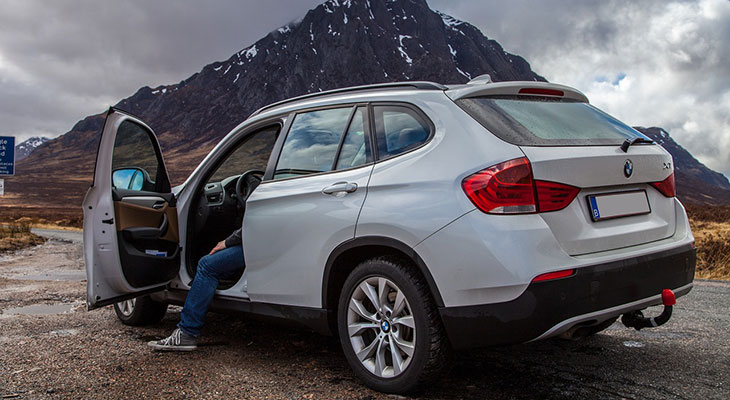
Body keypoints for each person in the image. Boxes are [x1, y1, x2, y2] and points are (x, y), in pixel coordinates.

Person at [147, 228, 244, 351]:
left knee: (206, 265)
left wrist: (227, 242)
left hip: (255, 245)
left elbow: (251, 225)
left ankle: (187, 332)